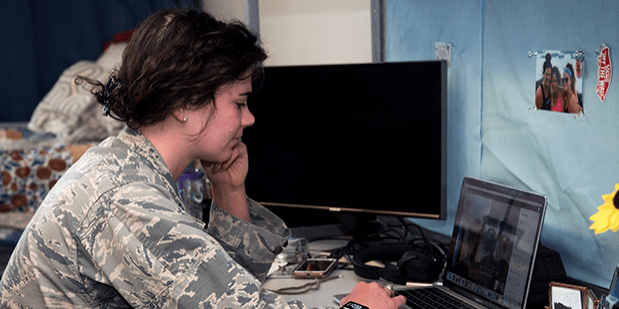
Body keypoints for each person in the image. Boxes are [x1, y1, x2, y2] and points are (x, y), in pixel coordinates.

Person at [0, 9, 405, 309]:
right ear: (186, 103)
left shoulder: (129, 165)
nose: (249, 118)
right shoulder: (126, 202)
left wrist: (229, 189)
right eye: (239, 103)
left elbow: (220, 286)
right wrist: (359, 307)